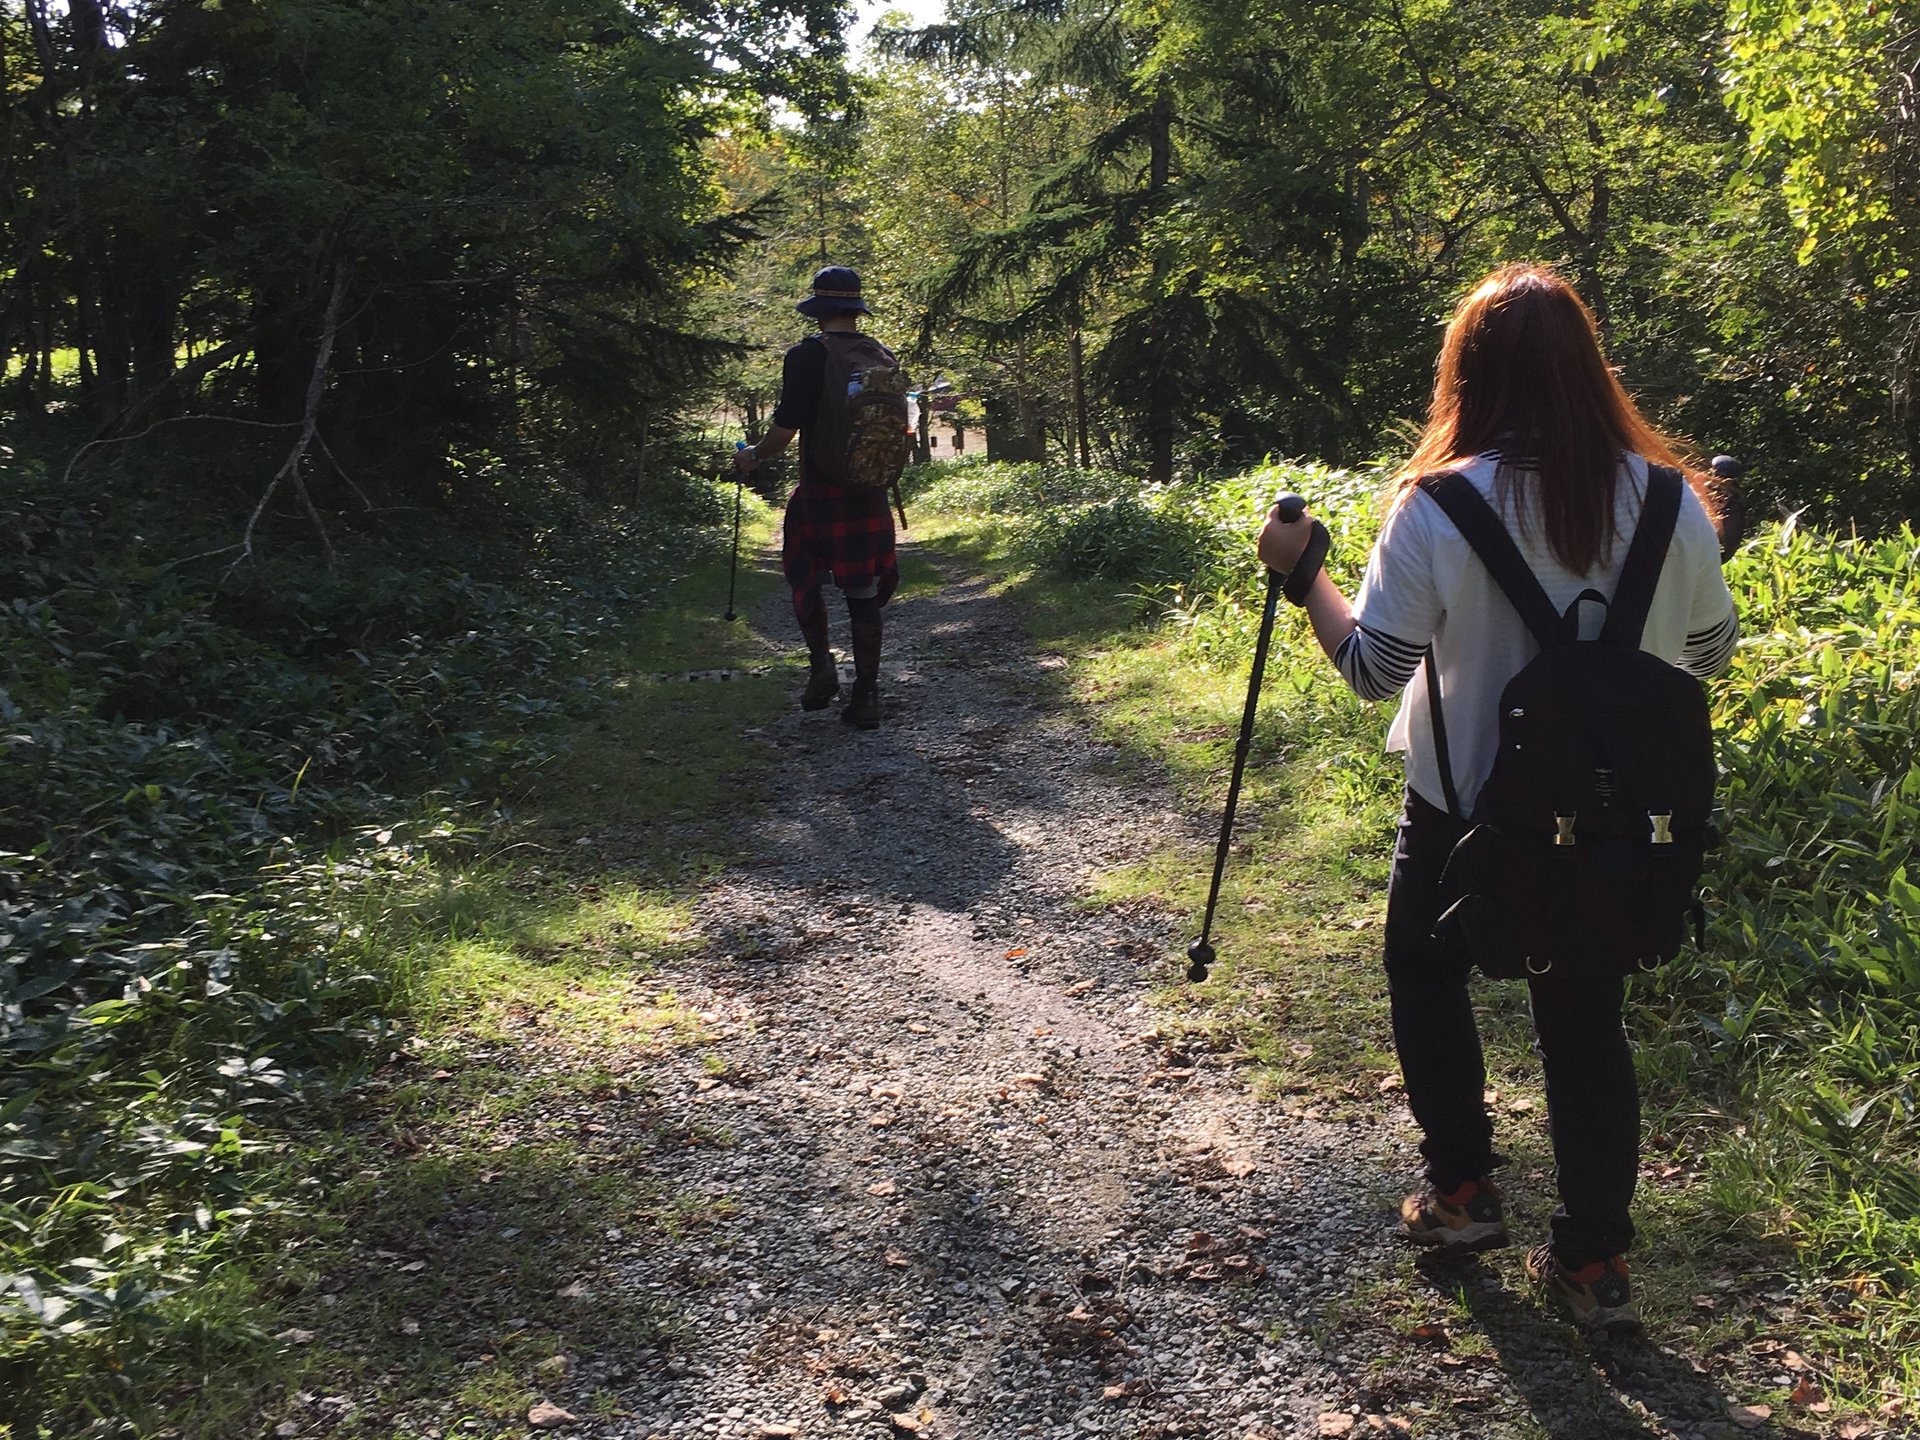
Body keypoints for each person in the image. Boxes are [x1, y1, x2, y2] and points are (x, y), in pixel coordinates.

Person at [1257, 263, 1739, 1334]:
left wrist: (1303, 576)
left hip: (1460, 804)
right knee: (1586, 1021)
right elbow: (1708, 650)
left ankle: (1465, 1195)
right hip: (1618, 817)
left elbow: (1375, 669)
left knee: (1423, 972)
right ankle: (1595, 1265)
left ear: (1464, 375)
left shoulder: (1436, 505)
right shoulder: (1669, 499)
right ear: (1590, 368)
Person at [734, 266, 899, 730]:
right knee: (863, 592)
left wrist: (753, 457)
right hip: (869, 491)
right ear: (854, 307)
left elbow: (785, 430)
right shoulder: (879, 354)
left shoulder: (807, 356)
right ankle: (867, 696)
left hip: (822, 490)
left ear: (818, 310)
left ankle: (821, 668)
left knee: (804, 575)